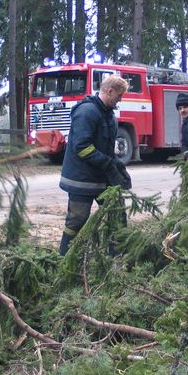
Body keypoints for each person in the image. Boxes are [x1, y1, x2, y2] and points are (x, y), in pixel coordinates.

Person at [58, 75, 131, 255]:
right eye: (119, 96)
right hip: (81, 179)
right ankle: (64, 260)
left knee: (117, 214)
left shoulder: (109, 115)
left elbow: (105, 148)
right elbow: (82, 147)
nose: (120, 100)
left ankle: (116, 260)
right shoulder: (87, 112)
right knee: (77, 220)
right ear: (110, 91)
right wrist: (107, 163)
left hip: (102, 178)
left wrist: (116, 166)